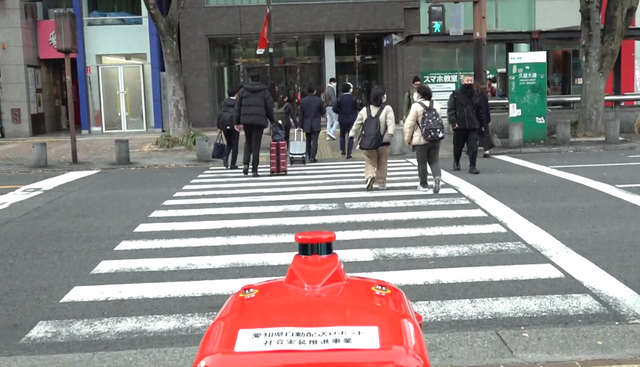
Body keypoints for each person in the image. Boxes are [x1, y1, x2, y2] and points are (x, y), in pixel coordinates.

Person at [350, 86, 395, 191]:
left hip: (367, 142)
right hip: (383, 142)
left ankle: (370, 176)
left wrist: (352, 134)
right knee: (382, 162)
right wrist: (391, 132)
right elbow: (391, 123)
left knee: (370, 161)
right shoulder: (387, 109)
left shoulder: (365, 110)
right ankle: (381, 183)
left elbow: (357, 124)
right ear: (382, 97)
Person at [234, 71, 275, 177]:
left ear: (250, 79)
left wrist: (236, 122)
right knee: (256, 144)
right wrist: (272, 120)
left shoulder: (243, 90)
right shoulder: (264, 91)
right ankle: (254, 170)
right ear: (258, 79)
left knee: (248, 141)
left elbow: (237, 107)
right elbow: (269, 107)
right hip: (259, 121)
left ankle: (246, 164)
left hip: (246, 120)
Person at [404, 84, 442, 193]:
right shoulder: (436, 104)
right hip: (435, 137)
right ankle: (437, 177)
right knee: (434, 160)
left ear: (419, 95)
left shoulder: (416, 106)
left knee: (422, 162)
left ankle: (424, 184)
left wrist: (407, 139)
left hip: (421, 138)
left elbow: (409, 124)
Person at [447, 74, 484, 174]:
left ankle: (473, 166)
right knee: (458, 146)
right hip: (460, 125)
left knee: (473, 147)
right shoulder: (455, 94)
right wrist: (453, 122)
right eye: (467, 81)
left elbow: (480, 110)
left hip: (473, 125)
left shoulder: (476, 94)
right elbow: (451, 109)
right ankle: (456, 161)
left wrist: (482, 123)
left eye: (471, 81)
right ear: (463, 82)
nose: (469, 83)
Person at [298, 84, 325, 163]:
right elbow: (323, 111)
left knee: (308, 140)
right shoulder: (318, 100)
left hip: (306, 123)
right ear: (314, 91)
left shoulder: (303, 101)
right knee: (315, 141)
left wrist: (300, 125)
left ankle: (308, 155)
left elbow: (301, 115)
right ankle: (313, 157)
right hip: (316, 122)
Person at [333, 83, 361, 159]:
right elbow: (358, 107)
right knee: (351, 135)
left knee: (342, 135)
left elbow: (334, 109)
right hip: (352, 119)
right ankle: (349, 153)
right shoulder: (353, 98)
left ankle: (343, 149)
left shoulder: (339, 98)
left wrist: (340, 112)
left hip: (342, 119)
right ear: (349, 90)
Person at [216, 87, 239, 169]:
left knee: (229, 142)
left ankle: (225, 157)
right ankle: (233, 163)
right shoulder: (237, 102)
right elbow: (239, 113)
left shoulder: (224, 102)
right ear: (236, 93)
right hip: (234, 125)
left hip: (224, 125)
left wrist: (219, 126)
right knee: (235, 144)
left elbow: (219, 114)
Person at [474, 81, 493, 158]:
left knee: (474, 134)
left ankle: (473, 150)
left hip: (475, 118)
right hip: (484, 118)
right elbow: (487, 109)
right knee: (485, 134)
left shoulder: (473, 97)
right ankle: (486, 150)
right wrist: (488, 120)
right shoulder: (484, 97)